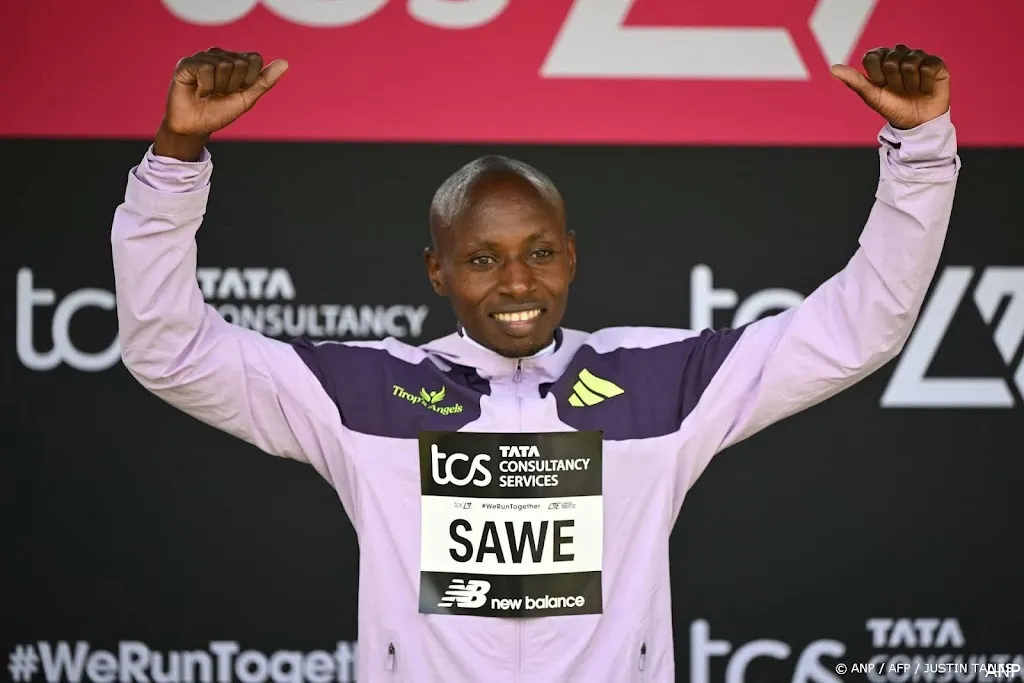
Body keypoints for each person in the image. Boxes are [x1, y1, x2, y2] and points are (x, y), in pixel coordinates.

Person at [112, 45, 959, 683]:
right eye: (482, 259)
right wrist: (175, 160)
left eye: (540, 253)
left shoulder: (662, 382)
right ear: (437, 271)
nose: (517, 283)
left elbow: (862, 325)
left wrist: (920, 152)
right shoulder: (361, 391)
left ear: (572, 257)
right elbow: (170, 350)